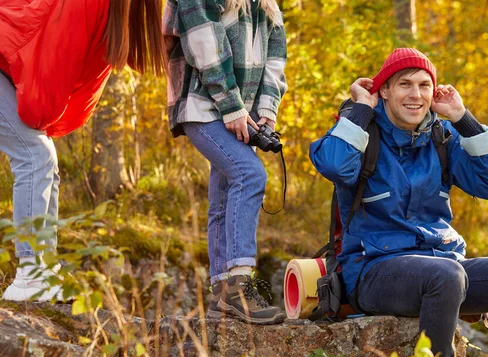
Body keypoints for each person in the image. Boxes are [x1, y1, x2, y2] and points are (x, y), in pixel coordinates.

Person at [310, 48, 488, 357]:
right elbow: (335, 167)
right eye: (404, 85)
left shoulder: (442, 137)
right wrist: (358, 109)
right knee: (446, 276)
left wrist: (462, 118)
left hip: (446, 269)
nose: (415, 95)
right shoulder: (359, 133)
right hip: (373, 272)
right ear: (383, 90)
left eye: (424, 85)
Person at [0, 0, 166, 302]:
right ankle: (29, 274)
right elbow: (56, 55)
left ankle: (43, 269)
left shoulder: (115, 12)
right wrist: (41, 119)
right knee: (36, 156)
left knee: (46, 160)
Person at [163, 0, 287, 324]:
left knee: (222, 197)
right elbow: (205, 45)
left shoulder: (269, 4)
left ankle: (221, 289)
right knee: (249, 175)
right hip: (204, 106)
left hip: (242, 114)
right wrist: (232, 105)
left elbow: (276, 58)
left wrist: (266, 111)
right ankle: (239, 284)